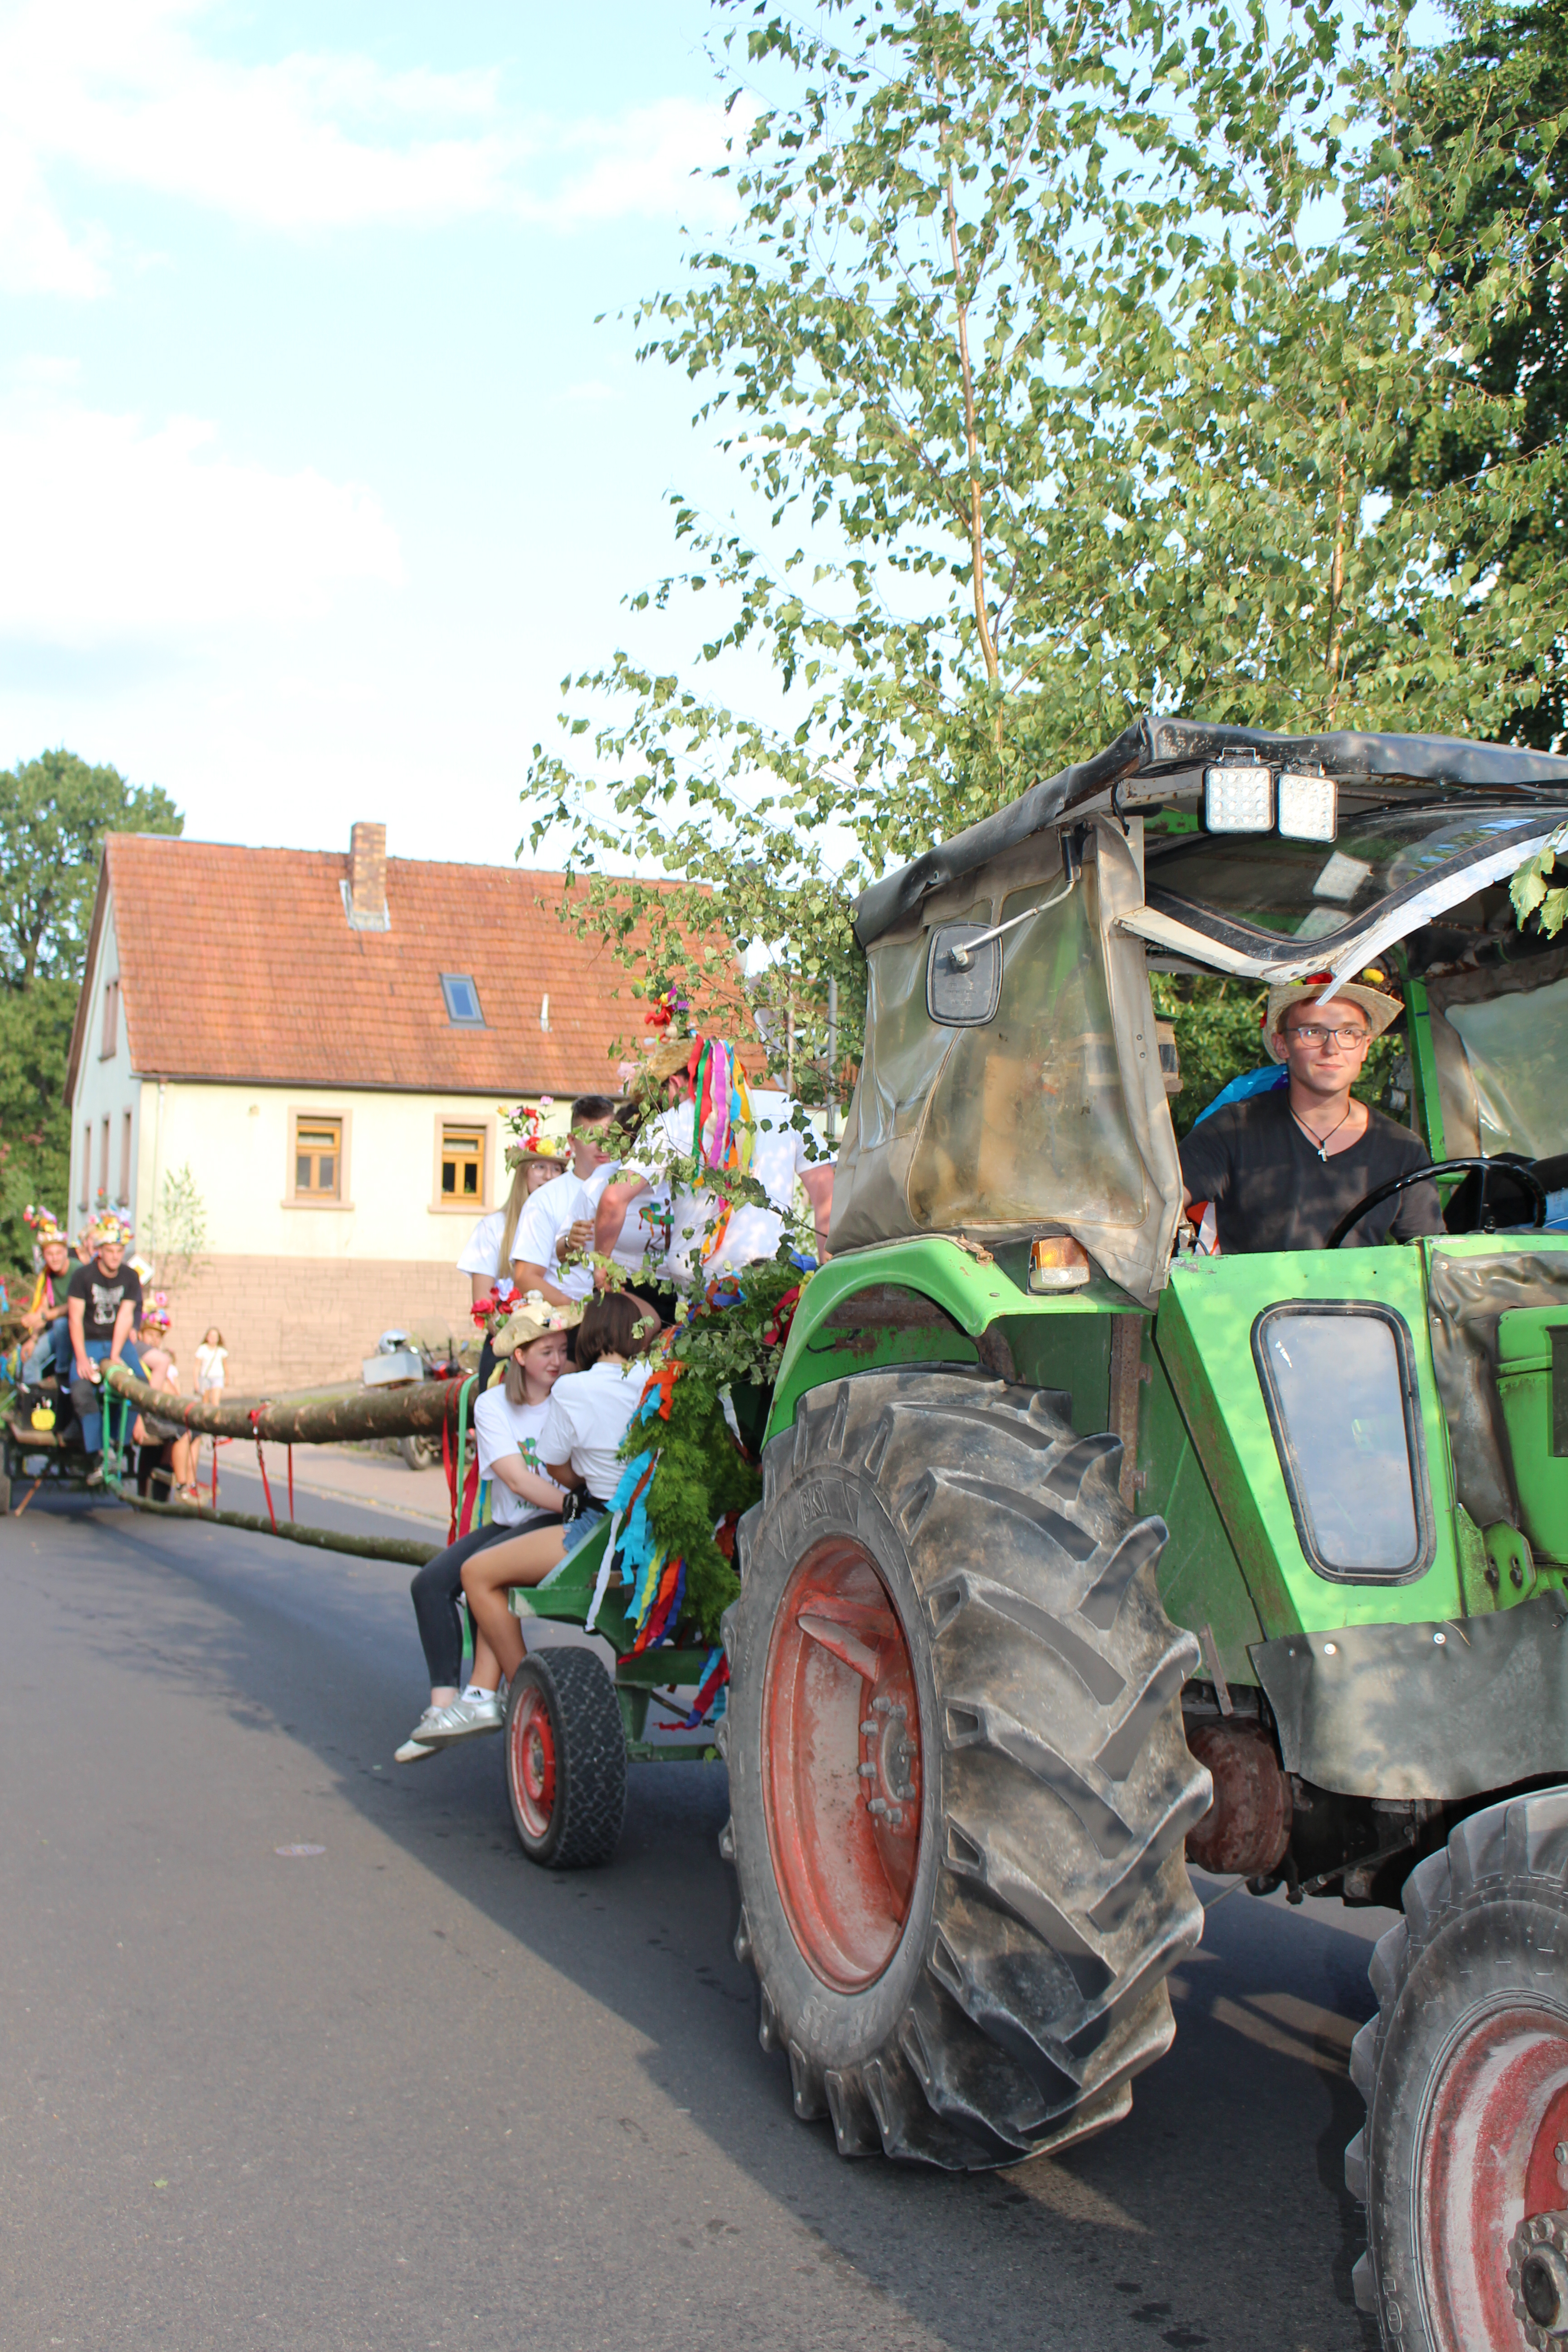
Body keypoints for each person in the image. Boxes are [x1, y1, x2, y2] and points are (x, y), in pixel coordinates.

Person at [456, 1292, 662, 1729]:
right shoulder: (658, 1379)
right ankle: (498, 1689)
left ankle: (524, 1693)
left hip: (604, 1529)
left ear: (588, 1336)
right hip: (660, 1529)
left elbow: (554, 1464)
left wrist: (581, 1482)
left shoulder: (572, 1388)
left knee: (476, 1573)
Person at [396, 1294, 578, 1759]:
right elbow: (516, 1478)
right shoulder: (494, 1404)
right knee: (429, 1585)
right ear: (519, 1356)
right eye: (546, 1352)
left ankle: (500, 1694)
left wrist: (572, 1507)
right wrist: (571, 1500)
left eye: (562, 1350)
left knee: (483, 1570)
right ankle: (442, 1706)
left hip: (555, 1520)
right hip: (518, 1517)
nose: (557, 1360)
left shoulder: (573, 1393)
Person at [1177, 979, 1443, 1253]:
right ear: (1282, 1045)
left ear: (1365, 1046)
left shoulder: (1402, 1148)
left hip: (1364, 1284)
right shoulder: (1233, 1129)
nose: (1332, 1048)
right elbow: (1164, 1198)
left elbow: (1433, 1254)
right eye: (1314, 1032)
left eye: (1348, 1032)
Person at [508, 1094, 621, 1309]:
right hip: (568, 1316)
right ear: (572, 1141)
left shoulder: (634, 1189)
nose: (603, 1146)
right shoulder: (545, 1199)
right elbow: (526, 1277)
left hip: (625, 1312)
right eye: (591, 1136)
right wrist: (580, 1311)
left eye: (610, 1136)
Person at [456, 1103, 568, 1310]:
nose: (549, 1176)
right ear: (523, 1174)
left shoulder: (570, 1224)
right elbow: (483, 1305)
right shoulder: (493, 1227)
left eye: (556, 1169)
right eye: (540, 1167)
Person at [66, 1215, 147, 1484]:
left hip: (117, 1341)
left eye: (119, 1251)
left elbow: (125, 1317)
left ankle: (116, 1442)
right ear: (100, 1251)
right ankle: (99, 1452)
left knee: (140, 1386)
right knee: (82, 1390)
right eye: (110, 1251)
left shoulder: (130, 1277)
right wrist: (81, 1358)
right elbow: (75, 1319)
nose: (115, 1256)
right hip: (89, 1340)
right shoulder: (83, 1276)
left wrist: (115, 1356)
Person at [133, 1300, 201, 1503]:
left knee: (196, 1430)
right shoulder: (139, 1356)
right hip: (143, 1415)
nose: (154, 1341)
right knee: (181, 1431)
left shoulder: (156, 1359)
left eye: (158, 1337)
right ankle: (181, 1485)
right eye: (150, 1335)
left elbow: (172, 1391)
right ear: (141, 1335)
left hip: (159, 1412)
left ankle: (191, 1482)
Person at [18, 1208, 73, 1386]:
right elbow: (43, 1306)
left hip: (79, 1330)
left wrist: (43, 1316)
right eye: (50, 1254)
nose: (55, 1258)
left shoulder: (78, 1271)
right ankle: (33, 1397)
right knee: (30, 1356)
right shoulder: (47, 1275)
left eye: (58, 1253)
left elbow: (73, 1306)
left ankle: (62, 1374)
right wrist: (33, 1338)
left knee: (61, 1323)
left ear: (66, 1252)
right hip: (58, 1332)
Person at [194, 1328, 227, 1405]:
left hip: (218, 1377)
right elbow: (197, 1366)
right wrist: (196, 1381)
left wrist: (227, 1378)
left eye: (215, 1336)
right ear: (207, 1337)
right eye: (211, 1336)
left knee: (215, 1402)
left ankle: (216, 1413)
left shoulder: (221, 1351)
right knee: (205, 1402)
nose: (213, 1338)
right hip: (205, 1378)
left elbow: (225, 1365)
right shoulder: (202, 1349)